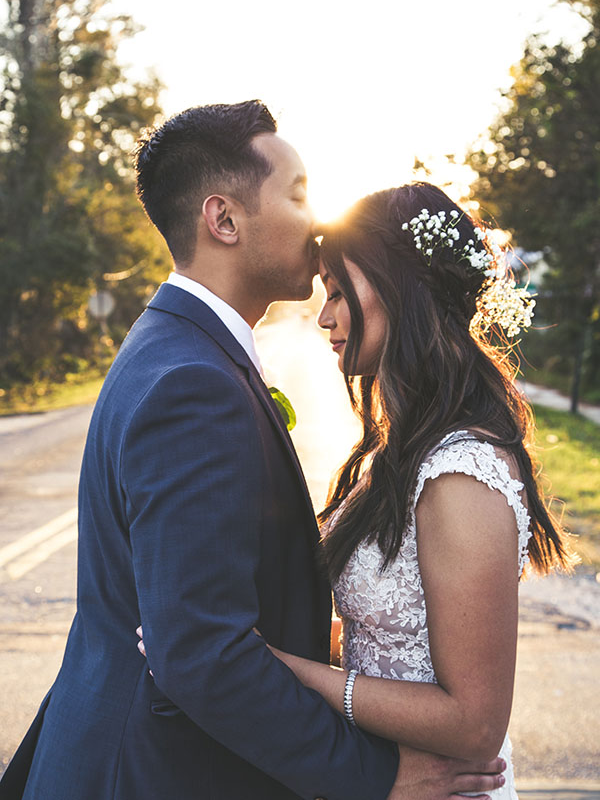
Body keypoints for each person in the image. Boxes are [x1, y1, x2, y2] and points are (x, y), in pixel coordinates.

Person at [0, 103, 506, 800]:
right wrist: (377, 778)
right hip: (150, 775)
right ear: (225, 220)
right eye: (297, 194)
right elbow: (203, 655)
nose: (316, 218)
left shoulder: (178, 350)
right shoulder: (192, 383)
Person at [243, 182, 574, 799]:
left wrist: (289, 672)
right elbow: (391, 631)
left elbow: (475, 723)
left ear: (404, 288)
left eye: (339, 292)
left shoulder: (459, 474)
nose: (324, 318)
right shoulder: (403, 453)